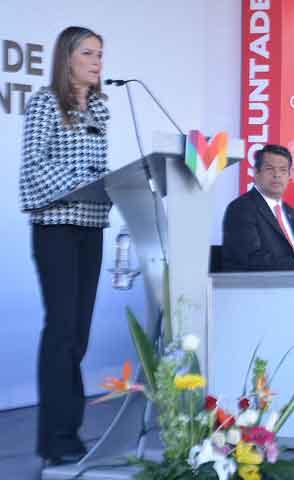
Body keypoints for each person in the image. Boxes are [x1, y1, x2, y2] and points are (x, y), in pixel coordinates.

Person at [18, 27, 112, 465]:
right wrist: (84, 182)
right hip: (56, 228)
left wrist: (108, 186)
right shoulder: (45, 102)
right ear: (67, 59)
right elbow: (33, 169)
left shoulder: (100, 108)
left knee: (79, 334)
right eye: (88, 53)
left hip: (92, 227)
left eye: (100, 54)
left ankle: (69, 432)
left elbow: (98, 170)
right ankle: (55, 439)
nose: (97, 62)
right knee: (61, 331)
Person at [222, 144, 294, 271]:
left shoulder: (289, 212)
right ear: (256, 172)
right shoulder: (241, 208)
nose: (277, 175)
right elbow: (250, 259)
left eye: (283, 170)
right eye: (270, 169)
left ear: (289, 176)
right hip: (262, 283)